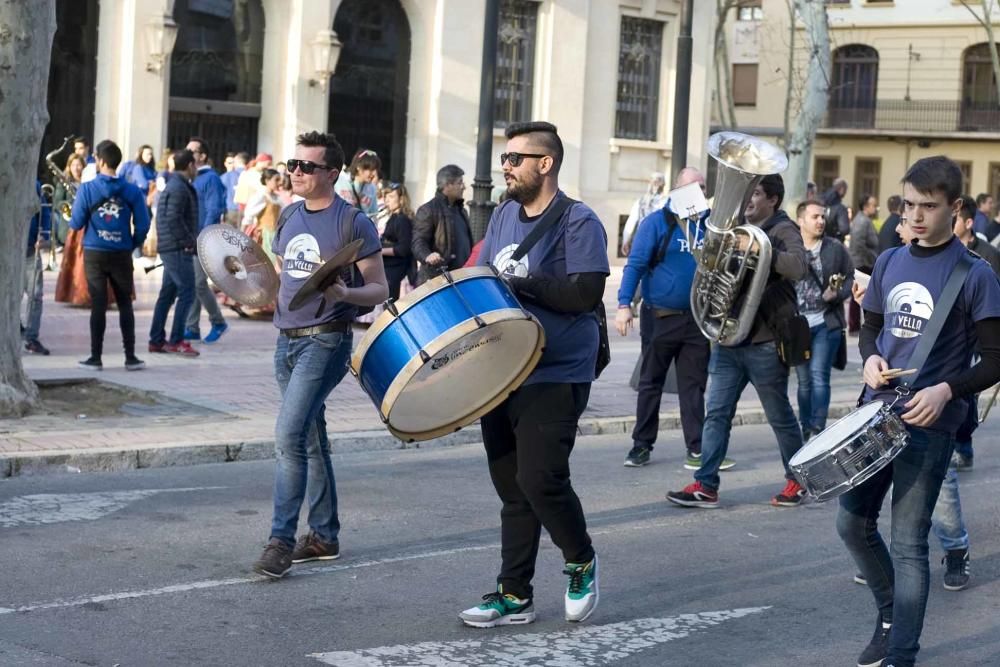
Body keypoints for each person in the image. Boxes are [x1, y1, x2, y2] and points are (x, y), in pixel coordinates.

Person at [841, 156, 1000, 667]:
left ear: (955, 210)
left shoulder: (976, 274)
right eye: (908, 204)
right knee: (850, 524)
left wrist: (947, 391)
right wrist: (870, 357)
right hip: (877, 414)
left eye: (927, 207)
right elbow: (871, 327)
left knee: (908, 543)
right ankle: (891, 615)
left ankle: (901, 654)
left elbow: (997, 358)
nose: (914, 216)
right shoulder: (889, 261)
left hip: (931, 424)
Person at [460, 120, 608, 628]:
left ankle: (580, 558)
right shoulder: (502, 214)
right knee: (511, 488)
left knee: (539, 477)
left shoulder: (578, 220)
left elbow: (585, 293)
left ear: (545, 164)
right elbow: (484, 273)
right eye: (504, 158)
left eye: (515, 158)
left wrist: (522, 285)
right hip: (500, 370)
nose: (506, 166)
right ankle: (513, 593)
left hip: (556, 369)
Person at [251, 131, 388, 578]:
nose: (296, 172)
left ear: (331, 173)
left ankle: (280, 541)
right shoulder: (289, 214)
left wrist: (347, 291)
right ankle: (325, 536)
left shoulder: (353, 222)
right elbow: (280, 276)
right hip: (284, 339)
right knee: (310, 438)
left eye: (306, 167)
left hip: (326, 340)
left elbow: (380, 289)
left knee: (288, 437)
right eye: (293, 165)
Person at [666, 173, 809, 509]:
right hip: (730, 338)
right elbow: (712, 270)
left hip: (764, 342)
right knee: (716, 413)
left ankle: (798, 481)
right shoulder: (734, 228)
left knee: (780, 416)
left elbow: (799, 267)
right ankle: (706, 484)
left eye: (756, 193)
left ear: (773, 199)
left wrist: (760, 249)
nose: (749, 199)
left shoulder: (782, 229)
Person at [617, 167, 711, 470]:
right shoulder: (656, 223)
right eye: (694, 187)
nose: (701, 193)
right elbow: (635, 265)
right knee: (651, 383)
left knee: (694, 386)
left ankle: (697, 448)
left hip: (698, 319)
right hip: (659, 316)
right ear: (678, 190)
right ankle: (641, 446)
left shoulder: (710, 225)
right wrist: (623, 304)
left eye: (703, 187)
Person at [67, 140, 150, 371]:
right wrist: (133, 243)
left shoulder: (87, 188)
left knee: (98, 305)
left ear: (100, 161)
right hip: (121, 252)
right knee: (125, 304)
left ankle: (95, 357)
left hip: (95, 251)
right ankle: (131, 357)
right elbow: (143, 223)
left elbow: (76, 222)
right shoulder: (132, 190)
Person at [793, 199, 854, 441]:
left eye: (822, 216)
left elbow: (850, 277)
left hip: (825, 323)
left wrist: (837, 293)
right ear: (801, 220)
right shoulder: (791, 247)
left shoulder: (834, 247)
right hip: (796, 327)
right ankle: (804, 425)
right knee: (803, 381)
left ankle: (817, 428)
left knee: (819, 376)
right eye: (815, 217)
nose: (821, 221)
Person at [148, 149, 200, 358]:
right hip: (177, 248)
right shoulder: (178, 187)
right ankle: (176, 340)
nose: (195, 169)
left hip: (171, 246)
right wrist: (188, 242)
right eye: (194, 165)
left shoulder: (177, 185)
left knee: (168, 294)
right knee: (188, 292)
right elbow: (172, 218)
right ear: (189, 165)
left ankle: (156, 340)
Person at [183, 137, 229, 344]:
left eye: (192, 151)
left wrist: (203, 237)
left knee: (199, 283)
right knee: (193, 282)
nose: (187, 154)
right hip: (191, 238)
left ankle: (218, 321)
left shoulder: (211, 179)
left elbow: (214, 209)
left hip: (203, 239)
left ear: (202, 156)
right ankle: (191, 327)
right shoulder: (191, 177)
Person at [412, 164, 472, 284]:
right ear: (448, 185)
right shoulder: (428, 210)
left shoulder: (462, 211)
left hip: (460, 279)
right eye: (459, 183)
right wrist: (427, 255)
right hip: (437, 281)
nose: (464, 187)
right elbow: (418, 241)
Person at [54, 153, 90, 306]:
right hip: (69, 225)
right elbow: (57, 202)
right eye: (74, 164)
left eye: (79, 164)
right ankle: (70, 291)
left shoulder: (88, 182)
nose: (77, 167)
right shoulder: (63, 183)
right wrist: (69, 205)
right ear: (69, 166)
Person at [22, 182, 51, 355]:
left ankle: (31, 337)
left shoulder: (32, 184)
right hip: (7, 252)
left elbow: (44, 212)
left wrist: (44, 234)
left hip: (31, 248)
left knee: (36, 295)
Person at [379, 182, 416, 301]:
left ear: (401, 199)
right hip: (390, 270)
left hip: (396, 273)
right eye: (386, 197)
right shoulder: (394, 217)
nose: (387, 200)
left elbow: (403, 249)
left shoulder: (402, 220)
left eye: (391, 197)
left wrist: (379, 251)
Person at [849, 194, 879, 333]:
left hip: (864, 261)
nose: (876, 208)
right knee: (860, 294)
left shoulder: (865, 219)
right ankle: (855, 325)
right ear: (866, 206)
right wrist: (869, 260)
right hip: (862, 263)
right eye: (873, 205)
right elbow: (859, 243)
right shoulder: (862, 221)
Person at [242, 168, 283, 265]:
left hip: (275, 234)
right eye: (276, 180)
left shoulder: (277, 198)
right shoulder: (261, 196)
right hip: (264, 234)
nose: (279, 183)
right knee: (265, 262)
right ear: (267, 181)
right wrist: (244, 232)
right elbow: (249, 214)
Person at [620, 172, 667, 255]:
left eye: (658, 181)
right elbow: (632, 221)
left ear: (663, 184)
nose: (655, 184)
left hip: (660, 240)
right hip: (643, 238)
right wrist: (626, 240)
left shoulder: (666, 202)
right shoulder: (641, 201)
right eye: (653, 181)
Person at [334, 148, 381, 218]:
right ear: (359, 167)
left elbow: (373, 215)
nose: (374, 173)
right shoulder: (339, 179)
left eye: (375, 170)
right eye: (370, 169)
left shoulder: (372, 188)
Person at [222, 152, 248, 226]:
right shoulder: (251, 174)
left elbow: (222, 195)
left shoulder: (226, 176)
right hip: (245, 210)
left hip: (230, 210)